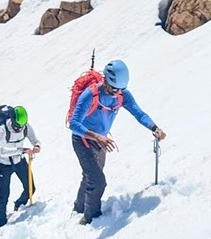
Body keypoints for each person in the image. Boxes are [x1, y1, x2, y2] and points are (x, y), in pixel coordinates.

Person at [68, 59, 166, 225]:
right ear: (105, 80)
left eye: (121, 89)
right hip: (83, 140)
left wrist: (154, 127)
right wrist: (97, 137)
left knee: (90, 176)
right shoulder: (90, 95)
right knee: (98, 181)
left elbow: (139, 113)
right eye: (113, 88)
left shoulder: (122, 95)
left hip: (101, 141)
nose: (116, 92)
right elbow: (73, 124)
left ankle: (78, 207)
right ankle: (89, 218)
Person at [0, 105, 41, 226]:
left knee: (31, 187)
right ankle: (1, 221)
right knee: (4, 195)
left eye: (21, 127)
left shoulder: (25, 127)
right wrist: (22, 150)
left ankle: (19, 204)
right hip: (3, 164)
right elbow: (2, 150)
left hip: (19, 161)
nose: (19, 129)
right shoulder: (2, 129)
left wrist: (37, 147)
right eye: (17, 127)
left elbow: (35, 140)